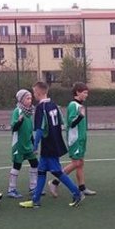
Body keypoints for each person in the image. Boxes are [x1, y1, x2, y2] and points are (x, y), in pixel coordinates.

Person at [19, 81, 83, 209]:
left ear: (38, 93)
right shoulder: (54, 105)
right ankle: (36, 200)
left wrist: (35, 146)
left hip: (48, 145)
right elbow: (61, 122)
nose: (33, 95)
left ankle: (77, 193)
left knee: (57, 172)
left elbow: (40, 129)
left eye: (34, 92)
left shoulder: (40, 108)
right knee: (41, 171)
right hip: (55, 142)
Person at [49, 82, 96, 197]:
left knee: (80, 163)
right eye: (84, 92)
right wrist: (80, 116)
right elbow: (71, 123)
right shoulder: (73, 105)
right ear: (77, 92)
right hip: (75, 139)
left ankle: (82, 187)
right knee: (76, 163)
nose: (86, 95)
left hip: (81, 139)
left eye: (87, 93)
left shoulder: (79, 105)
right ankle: (54, 182)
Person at [8, 89, 38, 198]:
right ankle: (11, 189)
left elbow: (30, 131)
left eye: (31, 98)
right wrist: (19, 121)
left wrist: (34, 145)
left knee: (35, 164)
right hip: (19, 145)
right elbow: (14, 128)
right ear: (21, 100)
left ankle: (33, 187)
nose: (30, 100)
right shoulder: (17, 111)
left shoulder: (29, 112)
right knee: (17, 166)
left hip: (28, 145)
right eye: (27, 98)